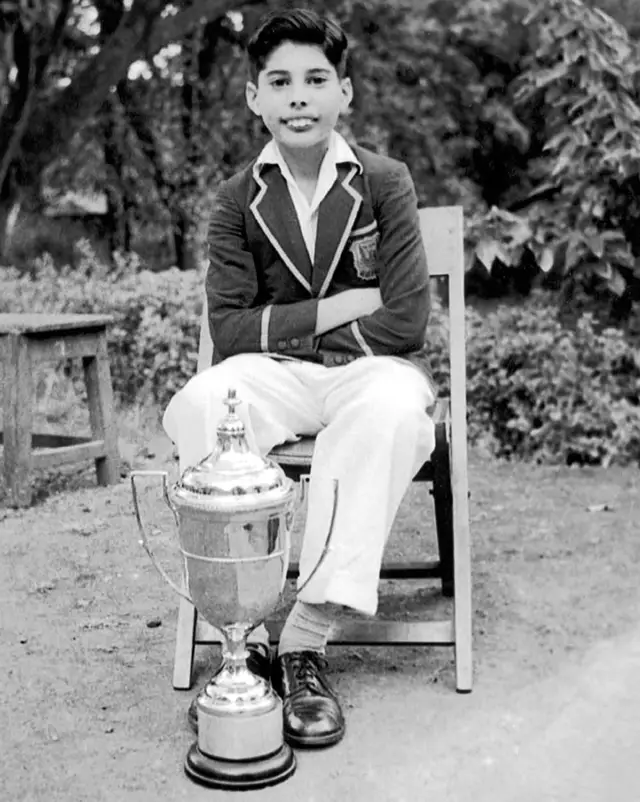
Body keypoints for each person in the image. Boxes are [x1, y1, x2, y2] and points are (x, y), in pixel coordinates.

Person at [163, 7, 436, 750]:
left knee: (394, 409)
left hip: (367, 373)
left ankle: (305, 641)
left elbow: (407, 320)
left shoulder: (385, 182)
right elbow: (231, 330)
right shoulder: (235, 198)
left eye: (316, 79)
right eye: (279, 82)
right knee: (199, 403)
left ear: (344, 92)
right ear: (254, 97)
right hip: (273, 375)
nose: (299, 97)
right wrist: (343, 305)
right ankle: (239, 639)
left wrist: (289, 319)